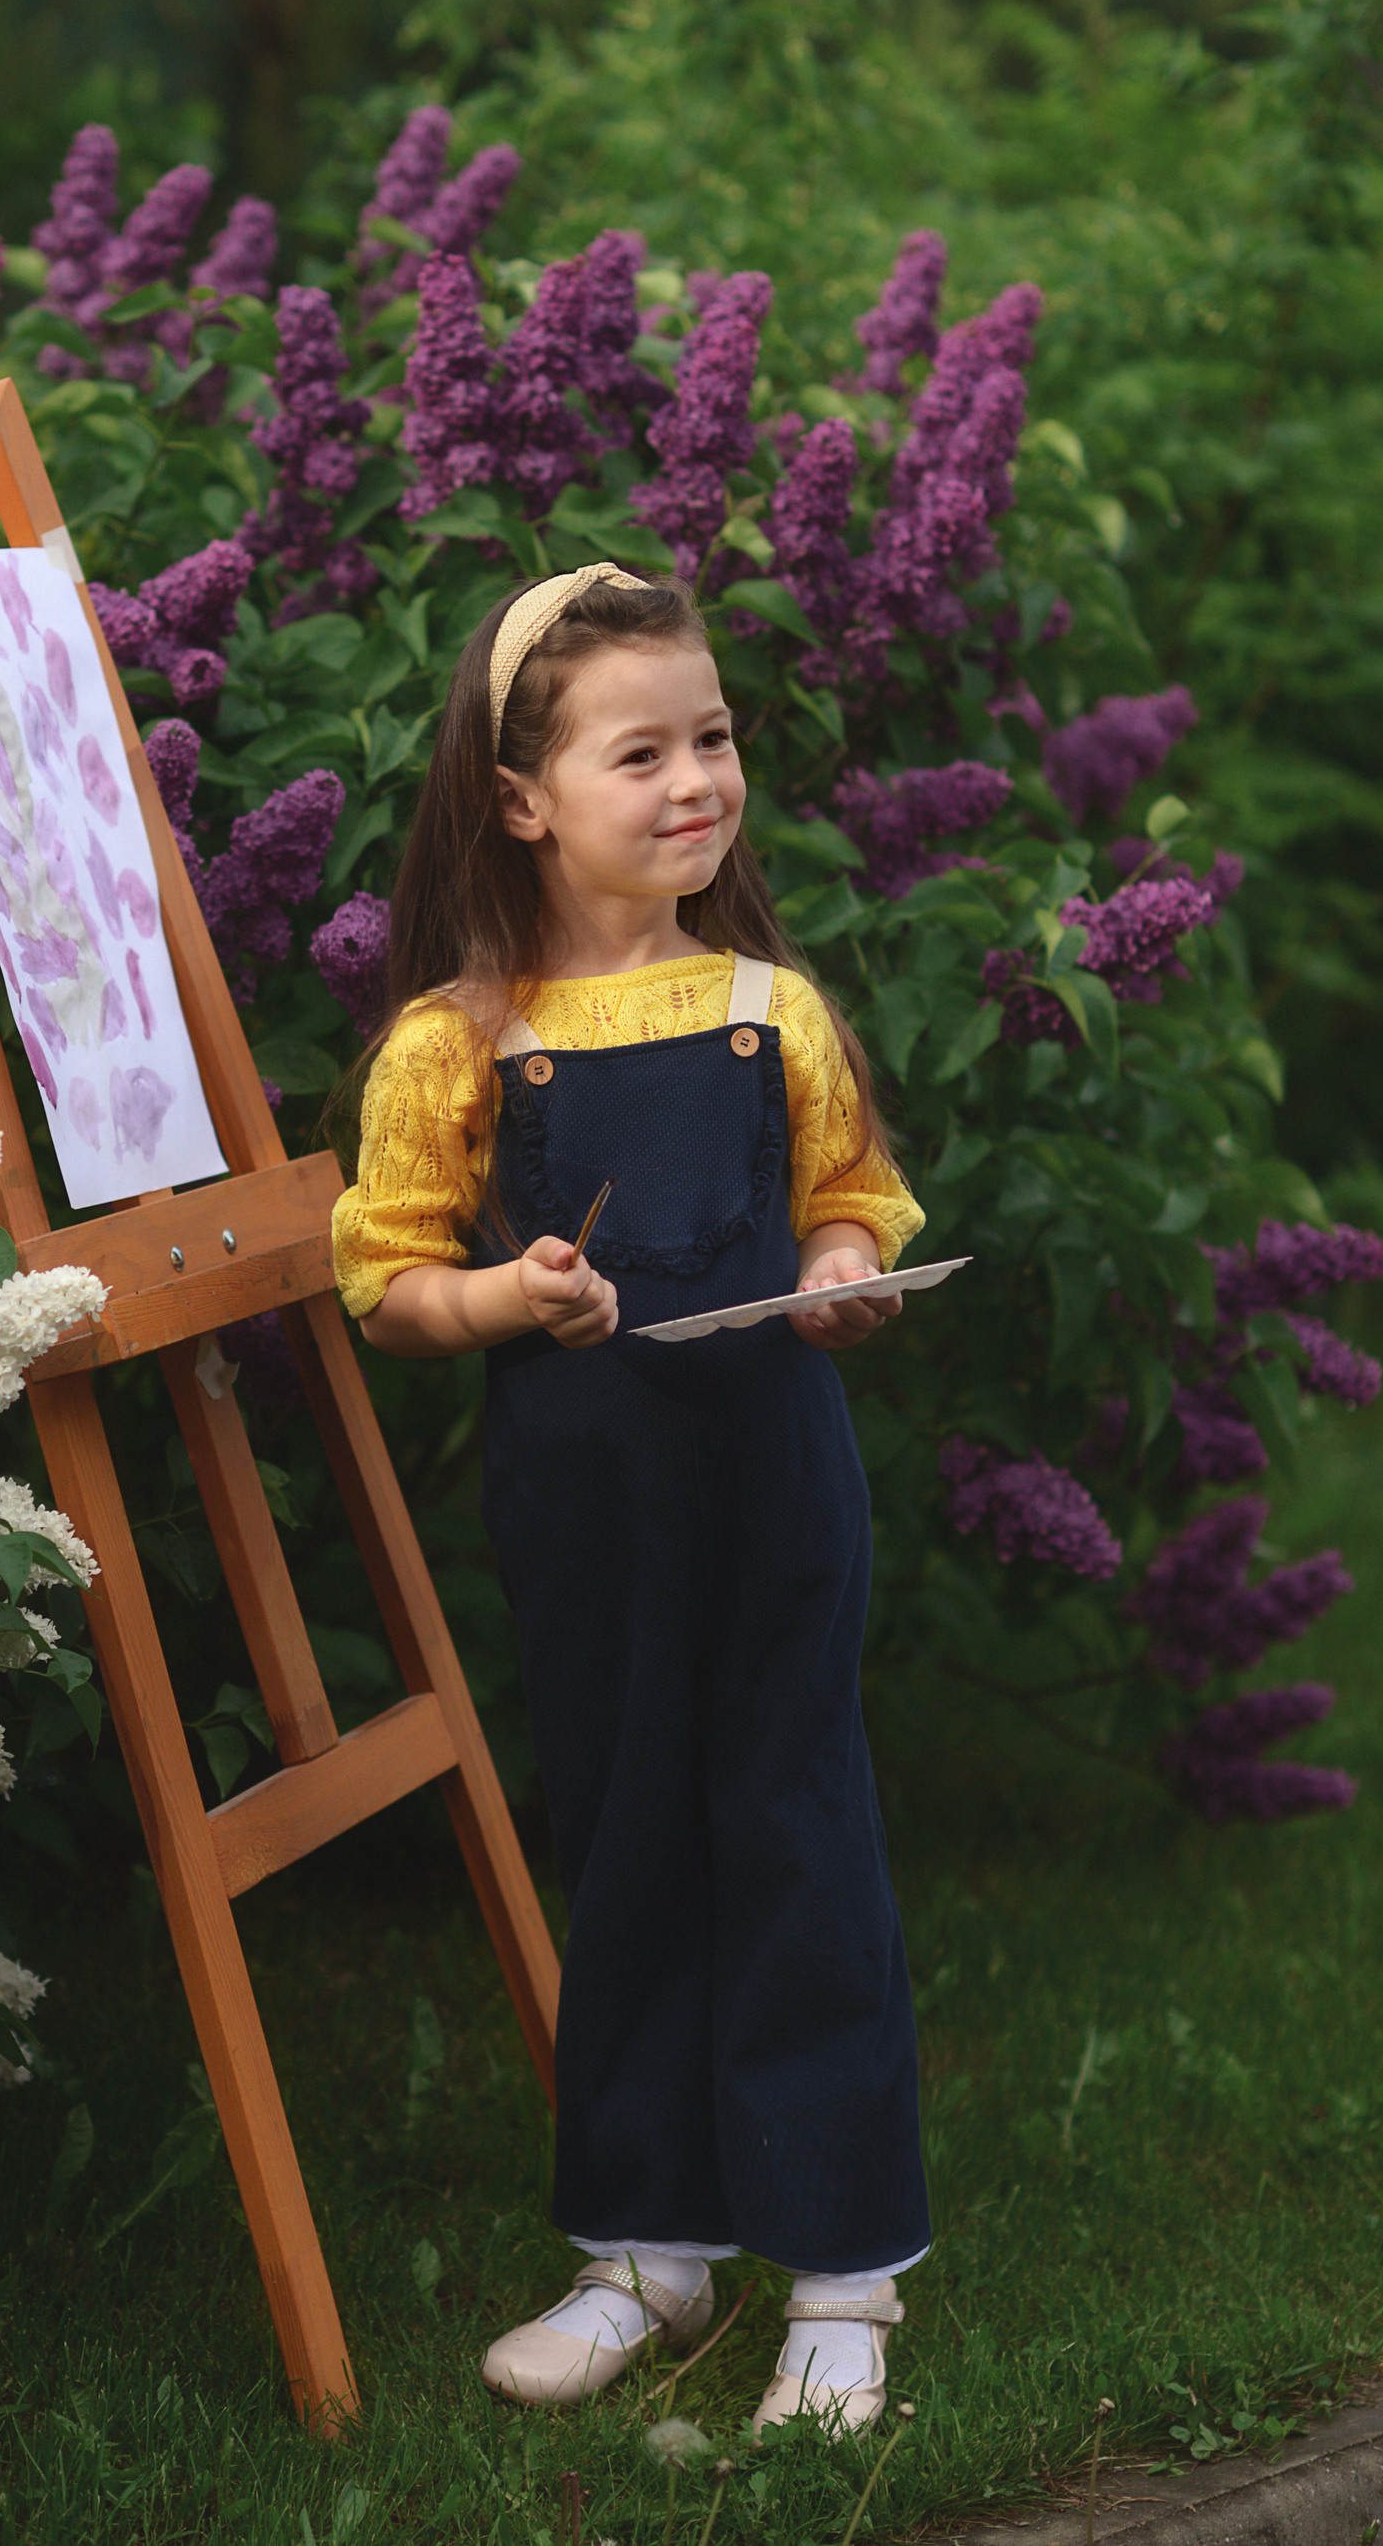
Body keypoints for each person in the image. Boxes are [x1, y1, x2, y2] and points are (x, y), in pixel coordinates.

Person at [330, 564, 928, 2435]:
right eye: (643, 750)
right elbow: (388, 1278)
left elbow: (853, 1192)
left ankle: (842, 2275)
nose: (696, 781)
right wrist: (507, 1296)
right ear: (522, 801)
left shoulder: (771, 1006)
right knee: (631, 1837)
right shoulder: (460, 1043)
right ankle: (650, 2255)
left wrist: (839, 1270)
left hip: (775, 1490)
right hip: (592, 1511)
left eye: (716, 738)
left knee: (796, 1819)